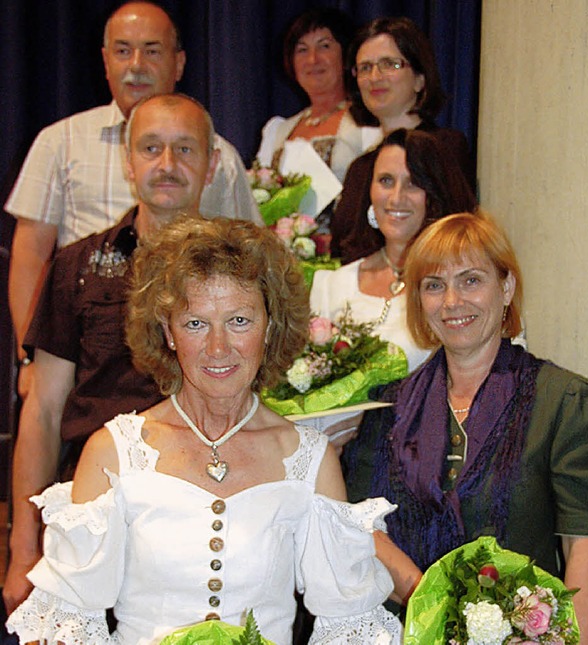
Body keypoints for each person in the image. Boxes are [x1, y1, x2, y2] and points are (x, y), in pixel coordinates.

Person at [6, 215, 417, 645]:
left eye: (239, 321)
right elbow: (65, 628)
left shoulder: (309, 458)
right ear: (167, 332)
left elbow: (347, 627)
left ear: (270, 326)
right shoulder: (114, 452)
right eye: (196, 323)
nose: (218, 348)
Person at [342, 212, 588, 644]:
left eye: (471, 280)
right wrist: (436, 609)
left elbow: (585, 551)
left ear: (506, 288)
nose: (452, 301)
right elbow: (361, 526)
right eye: (434, 285)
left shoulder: (564, 402)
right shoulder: (387, 408)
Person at [2, 93, 222, 616]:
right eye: (151, 148)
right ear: (128, 162)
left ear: (211, 165)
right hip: (92, 514)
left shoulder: (244, 272)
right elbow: (44, 412)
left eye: (185, 149)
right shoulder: (77, 266)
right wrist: (21, 548)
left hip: (212, 518)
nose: (167, 165)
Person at [6, 1, 261, 399]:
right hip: (88, 351)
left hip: (191, 358)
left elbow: (250, 257)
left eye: (152, 50)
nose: (137, 64)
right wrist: (32, 357)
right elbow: (29, 256)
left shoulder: (219, 154)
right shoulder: (59, 142)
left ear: (179, 64)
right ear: (105, 61)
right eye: (123, 50)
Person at [311, 128, 476, 375]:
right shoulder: (330, 286)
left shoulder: (463, 286)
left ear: (435, 195)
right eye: (386, 181)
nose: (397, 198)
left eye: (413, 183)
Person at [330, 16, 475, 261]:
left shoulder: (446, 147)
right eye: (365, 67)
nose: (375, 76)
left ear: (420, 78)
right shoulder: (360, 169)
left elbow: (454, 238)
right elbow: (343, 249)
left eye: (390, 64)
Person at [256, 8, 381, 233]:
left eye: (324, 46)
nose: (312, 59)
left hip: (345, 256)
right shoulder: (278, 130)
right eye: (302, 50)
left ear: (346, 56)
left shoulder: (368, 125)